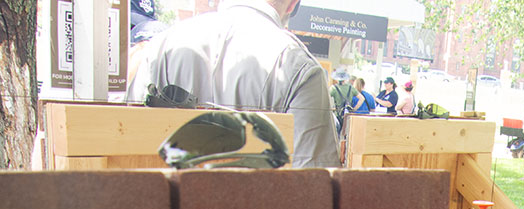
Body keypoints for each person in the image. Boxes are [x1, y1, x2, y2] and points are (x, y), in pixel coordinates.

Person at [126, 0, 340, 168]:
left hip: (166, 207)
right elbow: (313, 181)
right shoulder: (298, 66)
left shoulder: (162, 46)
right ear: (292, 4)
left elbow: (125, 145)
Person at [329, 69, 356, 134]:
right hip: (348, 115)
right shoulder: (351, 87)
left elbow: (325, 97)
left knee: (336, 134)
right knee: (347, 135)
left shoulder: (333, 88)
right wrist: (354, 109)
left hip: (337, 115)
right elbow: (361, 98)